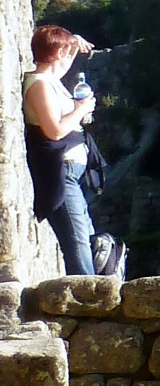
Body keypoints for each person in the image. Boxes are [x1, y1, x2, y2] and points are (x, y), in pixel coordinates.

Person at [22, 24, 120, 279]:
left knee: (86, 238)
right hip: (60, 171)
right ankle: (90, 300)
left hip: (71, 171)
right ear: (56, 53)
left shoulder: (51, 80)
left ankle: (94, 295)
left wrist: (73, 41)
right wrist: (81, 109)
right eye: (66, 51)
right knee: (78, 242)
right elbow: (54, 131)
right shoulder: (40, 84)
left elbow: (62, 65)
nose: (70, 56)